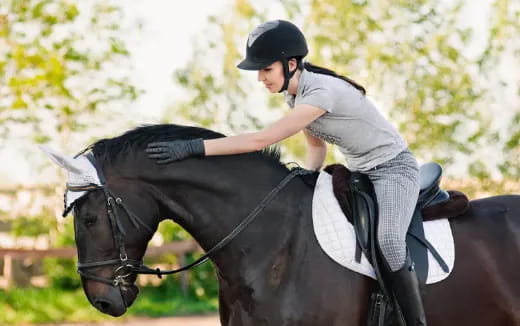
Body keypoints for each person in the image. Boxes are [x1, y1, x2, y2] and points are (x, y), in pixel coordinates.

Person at [146, 20, 426, 325]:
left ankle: (413, 320)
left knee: (388, 241)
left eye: (266, 69)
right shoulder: (296, 95)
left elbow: (260, 140)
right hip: (360, 173)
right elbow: (316, 148)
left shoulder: (320, 93)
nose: (260, 78)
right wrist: (306, 176)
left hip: (393, 170)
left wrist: (196, 148)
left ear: (290, 64)